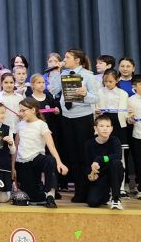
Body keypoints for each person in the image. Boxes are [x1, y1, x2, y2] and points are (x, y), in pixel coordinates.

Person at [56, 49, 99, 203]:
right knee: (72, 155)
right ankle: (79, 190)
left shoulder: (88, 75)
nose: (64, 60)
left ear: (77, 60)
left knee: (84, 154)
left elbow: (96, 98)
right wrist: (56, 72)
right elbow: (53, 90)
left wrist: (85, 94)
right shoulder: (63, 74)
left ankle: (87, 189)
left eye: (67, 57)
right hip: (67, 118)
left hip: (83, 118)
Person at [14, 98, 67, 208]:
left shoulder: (41, 124)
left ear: (33, 110)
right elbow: (16, 147)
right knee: (32, 197)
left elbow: (51, 146)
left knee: (50, 160)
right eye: (20, 110)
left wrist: (59, 163)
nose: (20, 113)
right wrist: (13, 167)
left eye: (23, 110)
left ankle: (50, 196)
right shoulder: (20, 125)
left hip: (37, 159)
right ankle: (41, 193)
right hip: (23, 163)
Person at [85, 115, 124, 209]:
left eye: (107, 126)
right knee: (93, 202)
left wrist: (100, 159)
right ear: (95, 128)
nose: (105, 129)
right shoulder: (89, 144)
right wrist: (90, 175)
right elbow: (86, 164)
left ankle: (116, 198)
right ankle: (107, 195)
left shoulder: (115, 140)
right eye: (101, 126)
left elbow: (118, 156)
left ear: (111, 128)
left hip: (113, 173)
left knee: (116, 163)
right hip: (100, 176)